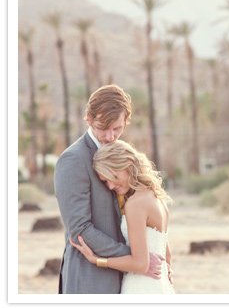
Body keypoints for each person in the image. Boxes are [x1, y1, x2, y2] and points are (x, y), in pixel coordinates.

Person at [54, 85, 168, 294]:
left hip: (131, 277)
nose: (109, 136)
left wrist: (158, 260)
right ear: (88, 118)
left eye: (117, 128)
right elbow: (79, 229)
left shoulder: (123, 155)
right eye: (102, 127)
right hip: (89, 279)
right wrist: (136, 257)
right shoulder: (73, 160)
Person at [70, 140, 175, 294]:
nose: (111, 186)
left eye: (114, 176)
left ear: (129, 165)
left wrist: (97, 260)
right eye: (105, 181)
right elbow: (167, 256)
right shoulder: (158, 199)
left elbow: (141, 265)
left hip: (140, 287)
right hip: (160, 286)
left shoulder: (135, 204)